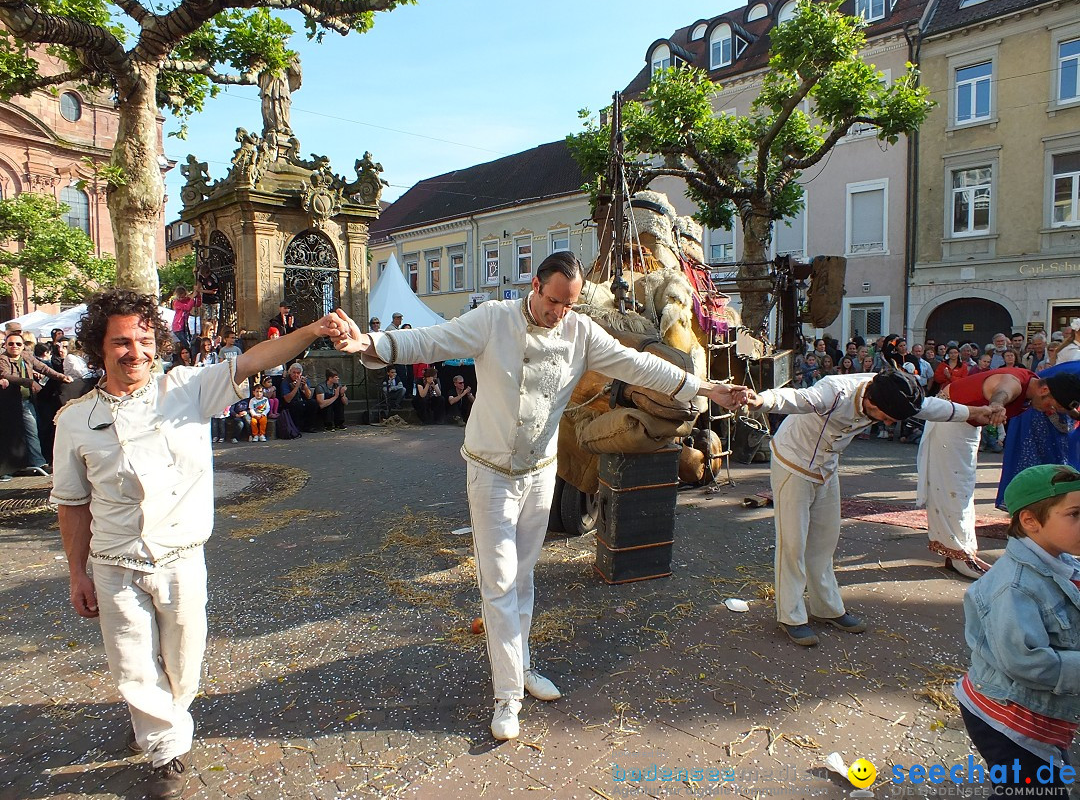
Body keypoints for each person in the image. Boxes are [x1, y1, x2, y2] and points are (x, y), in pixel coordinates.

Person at [329, 250, 745, 740]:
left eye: (568, 305)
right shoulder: (493, 320)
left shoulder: (580, 332)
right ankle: (507, 696)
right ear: (535, 285)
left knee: (524, 577)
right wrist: (370, 341)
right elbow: (430, 340)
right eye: (553, 302)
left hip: (541, 471)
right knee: (500, 579)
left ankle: (520, 667)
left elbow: (638, 366)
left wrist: (704, 389)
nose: (559, 313)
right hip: (491, 472)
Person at [50, 288, 337, 798]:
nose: (134, 351)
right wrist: (77, 572)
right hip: (115, 562)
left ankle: (156, 718)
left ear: (157, 342)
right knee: (133, 662)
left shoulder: (186, 389)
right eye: (120, 342)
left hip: (182, 557)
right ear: (99, 348)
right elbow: (71, 504)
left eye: (143, 339)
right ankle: (166, 749)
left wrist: (313, 331)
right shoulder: (74, 420)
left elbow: (253, 359)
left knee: (183, 661)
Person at [745, 369, 998, 646]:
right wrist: (760, 400)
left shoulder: (895, 390)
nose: (889, 424)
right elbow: (797, 397)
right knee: (793, 544)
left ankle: (826, 608)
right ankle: (791, 616)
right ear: (872, 404)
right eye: (887, 418)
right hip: (793, 463)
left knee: (825, 540)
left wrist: (973, 413)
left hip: (827, 467)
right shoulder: (835, 390)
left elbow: (930, 407)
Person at [956, 464, 1079, 799]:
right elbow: (1028, 663)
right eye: (1075, 514)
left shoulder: (1063, 559)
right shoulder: (1014, 588)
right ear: (1030, 521)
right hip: (1008, 719)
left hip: (1037, 713)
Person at [917, 366, 1080, 579]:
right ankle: (957, 554)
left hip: (964, 424)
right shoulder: (1015, 382)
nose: (1050, 410)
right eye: (1051, 405)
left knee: (961, 486)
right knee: (953, 486)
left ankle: (960, 551)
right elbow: (1003, 389)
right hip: (950, 420)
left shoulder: (1032, 387)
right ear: (1044, 390)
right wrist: (997, 404)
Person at [995, 360, 1080, 510]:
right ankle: (1031, 504)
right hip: (1039, 404)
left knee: (1059, 457)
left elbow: (1068, 404)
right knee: (1034, 458)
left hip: (1054, 405)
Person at [0, 330, 71, 475]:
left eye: (18, 344)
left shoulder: (27, 357)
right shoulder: (3, 359)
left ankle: (38, 463)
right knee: (11, 434)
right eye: (11, 344)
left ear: (22, 346)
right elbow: (5, 374)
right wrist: (29, 382)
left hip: (27, 401)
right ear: (5, 345)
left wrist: (62, 377)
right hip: (9, 404)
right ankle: (11, 467)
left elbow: (44, 368)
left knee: (32, 431)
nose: (15, 346)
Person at [280, 362, 318, 432]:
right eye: (294, 373)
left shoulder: (304, 380)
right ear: (290, 372)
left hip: (302, 400)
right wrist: (296, 387)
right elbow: (287, 399)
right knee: (298, 405)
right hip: (291, 403)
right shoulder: (285, 382)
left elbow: (309, 396)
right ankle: (297, 427)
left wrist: (305, 386)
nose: (296, 375)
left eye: (298, 373)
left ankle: (309, 427)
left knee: (313, 403)